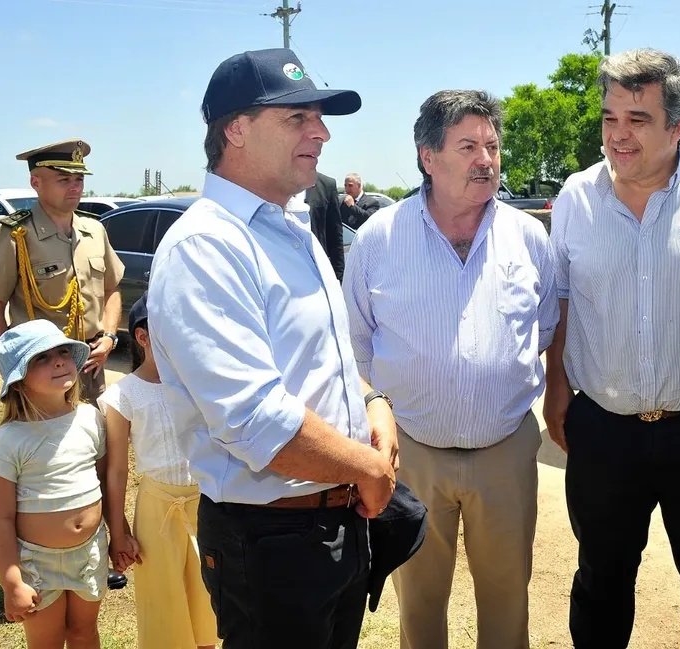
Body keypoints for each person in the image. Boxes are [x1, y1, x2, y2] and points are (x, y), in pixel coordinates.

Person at [147, 47, 399, 649]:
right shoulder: (205, 246)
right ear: (234, 129)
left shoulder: (294, 232)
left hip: (332, 524)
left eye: (319, 117)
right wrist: (369, 467)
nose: (322, 132)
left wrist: (375, 404)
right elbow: (254, 419)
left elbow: (327, 361)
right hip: (271, 538)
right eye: (297, 118)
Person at [544, 48, 680, 649]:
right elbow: (563, 300)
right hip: (603, 431)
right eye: (610, 117)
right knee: (601, 579)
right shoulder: (575, 198)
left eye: (638, 119)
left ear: (678, 126)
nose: (619, 135)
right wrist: (557, 391)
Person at [343, 89, 559, 649]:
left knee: (509, 600)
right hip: (410, 452)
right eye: (468, 146)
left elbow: (541, 330)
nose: (486, 159)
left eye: (492, 145)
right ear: (428, 156)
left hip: (505, 451)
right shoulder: (378, 239)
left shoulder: (528, 237)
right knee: (418, 602)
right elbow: (356, 344)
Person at [98, 292, 218, 649]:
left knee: (208, 600)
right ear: (142, 337)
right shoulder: (124, 396)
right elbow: (116, 471)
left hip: (204, 505)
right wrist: (118, 532)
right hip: (156, 510)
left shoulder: (197, 387)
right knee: (163, 603)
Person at [0, 319, 109, 648]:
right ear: (18, 382)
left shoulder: (90, 418)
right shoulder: (8, 440)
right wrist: (12, 584)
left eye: (63, 351)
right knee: (46, 641)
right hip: (37, 563)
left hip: (90, 553)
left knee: (85, 632)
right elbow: (0, 518)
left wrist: (118, 534)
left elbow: (104, 483)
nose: (57, 360)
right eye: (41, 357)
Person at [0, 139, 126, 404]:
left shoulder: (94, 230)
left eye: (79, 179)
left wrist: (109, 337)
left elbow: (112, 289)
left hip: (90, 363)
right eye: (63, 179)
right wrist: (13, 366)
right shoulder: (16, 235)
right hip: (40, 366)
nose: (75, 187)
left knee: (92, 438)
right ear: (35, 182)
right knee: (41, 440)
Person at [305, 171, 346, 281]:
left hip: (316, 276)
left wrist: (338, 278)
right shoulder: (269, 180)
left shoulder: (326, 185)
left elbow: (335, 235)